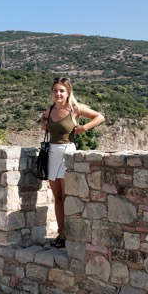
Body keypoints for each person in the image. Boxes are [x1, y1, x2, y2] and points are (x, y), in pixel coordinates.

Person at [41, 77, 105, 248]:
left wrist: (84, 128)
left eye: (61, 90)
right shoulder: (51, 109)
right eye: (55, 90)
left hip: (67, 153)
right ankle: (60, 234)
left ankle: (67, 234)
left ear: (68, 92)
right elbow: (43, 119)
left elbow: (100, 117)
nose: (58, 93)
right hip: (52, 154)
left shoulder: (75, 109)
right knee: (58, 197)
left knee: (67, 195)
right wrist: (44, 124)